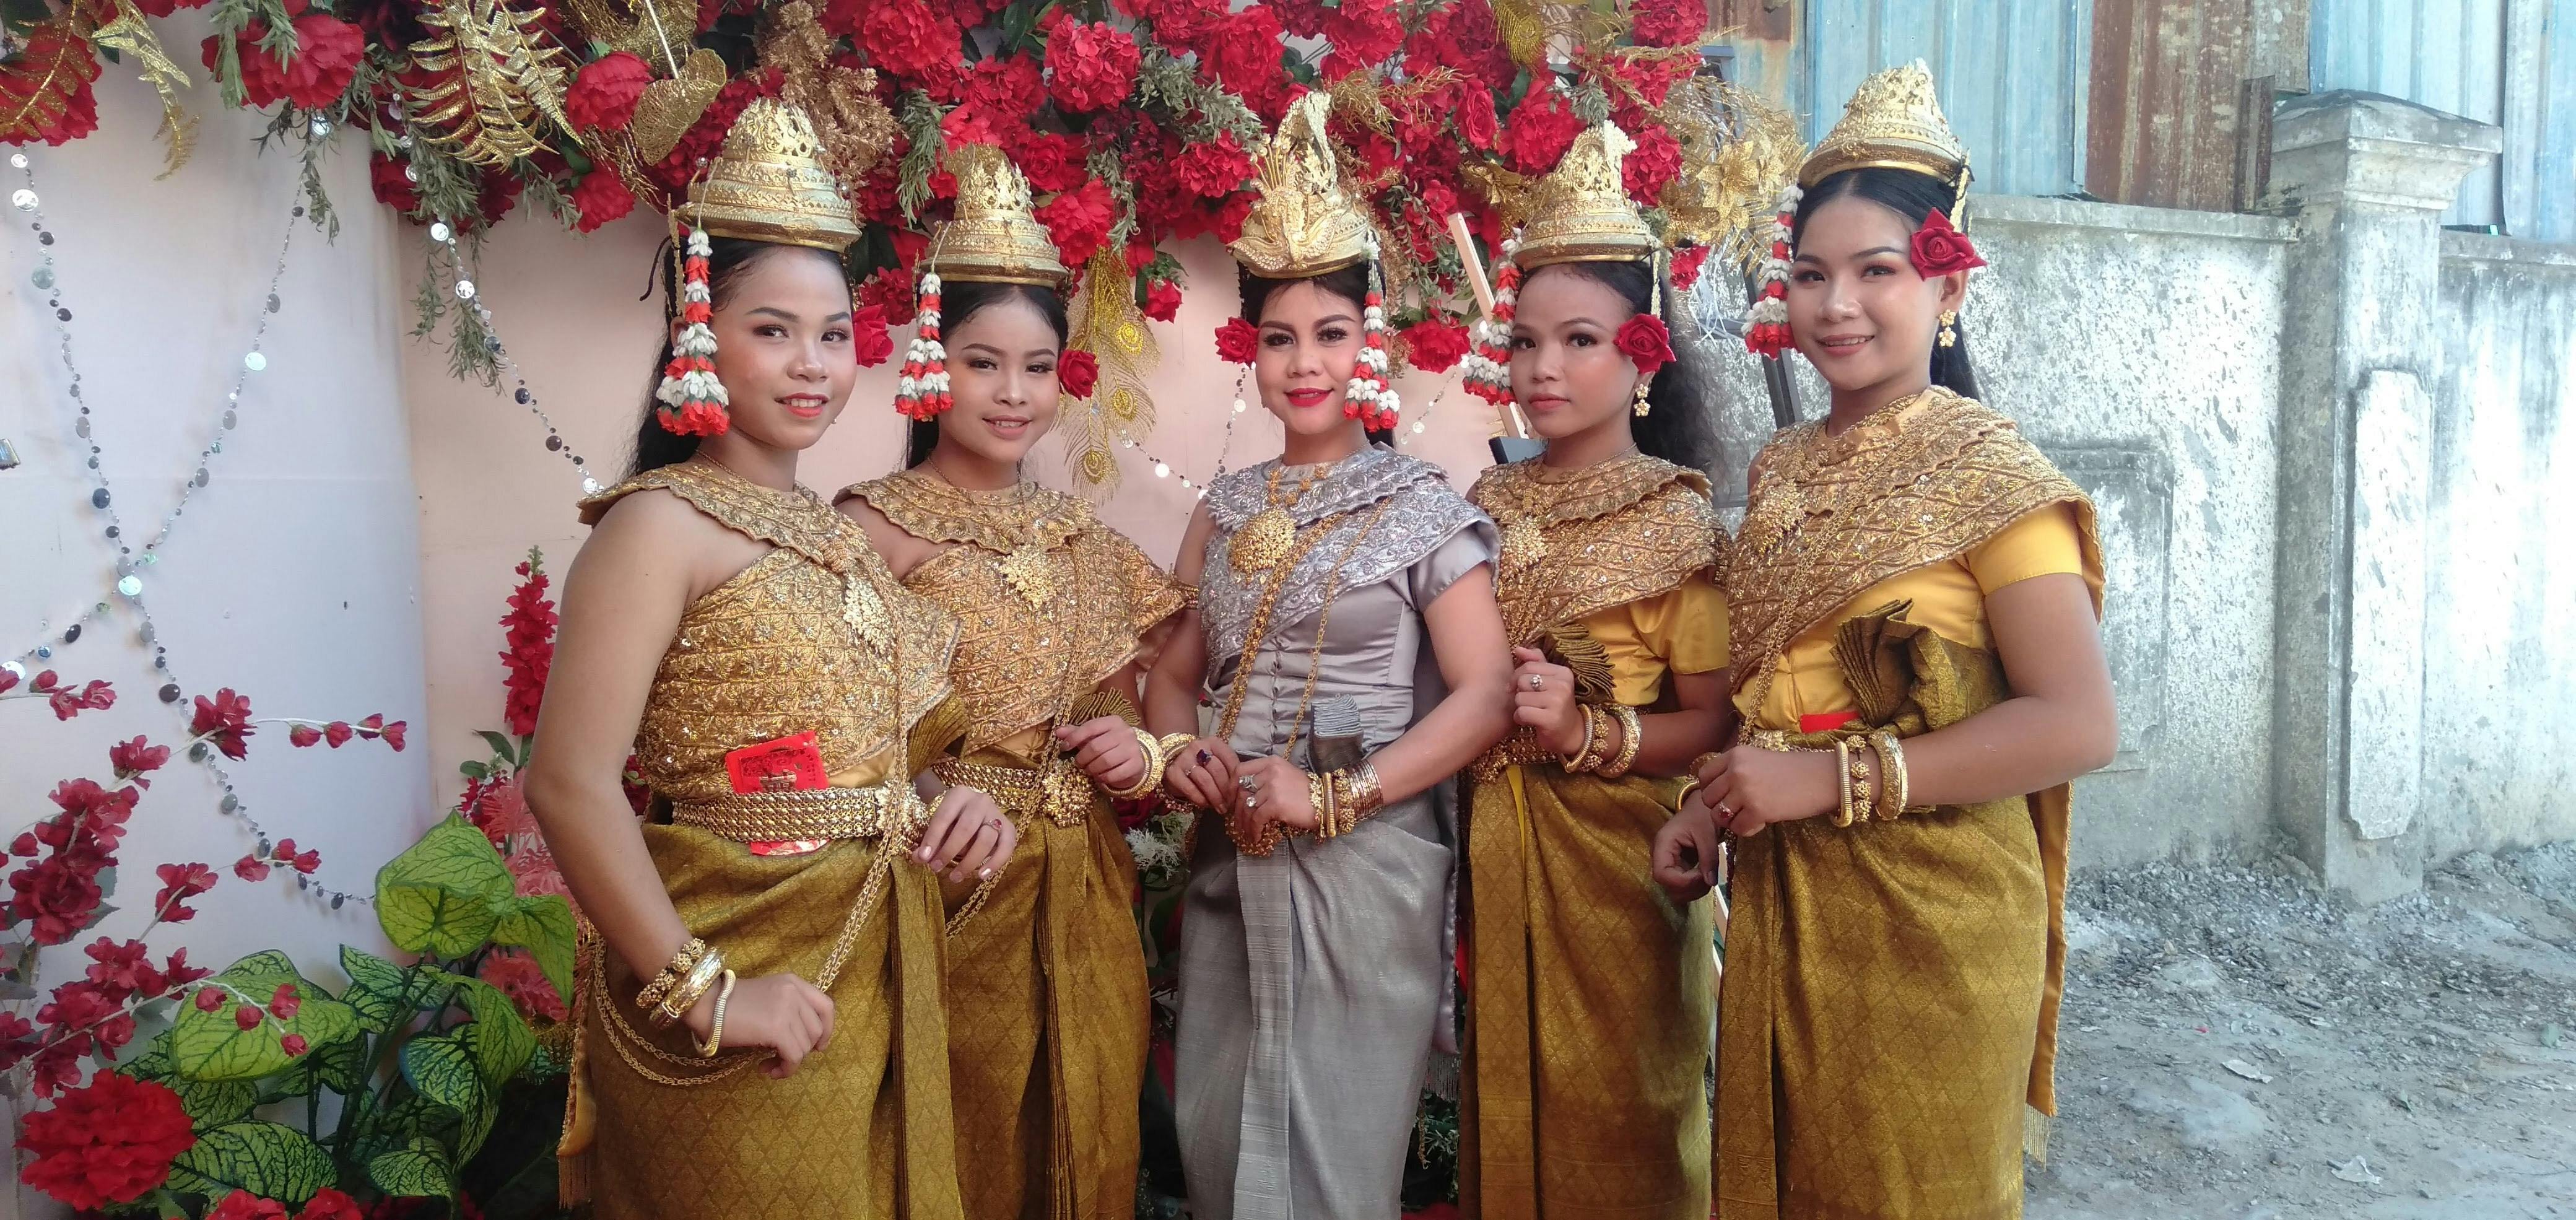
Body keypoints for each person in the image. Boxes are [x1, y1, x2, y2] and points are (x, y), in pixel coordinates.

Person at [525, 99, 1014, 1218]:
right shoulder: (657, 526)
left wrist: (950, 806)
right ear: (700, 334)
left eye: (834, 335)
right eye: (774, 330)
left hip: (870, 968)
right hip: (734, 968)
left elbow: (869, 758)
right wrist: (704, 992)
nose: (812, 365)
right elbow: (568, 780)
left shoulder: (837, 535)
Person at [1651, 62, 2116, 1219]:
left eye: (1877, 271)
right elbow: (1775, 680)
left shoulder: (1994, 477)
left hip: (1935, 913)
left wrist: (1826, 780)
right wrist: (1711, 801)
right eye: (1812, 274)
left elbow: (2077, 722)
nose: (1837, 304)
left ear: (1947, 287)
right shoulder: (1783, 468)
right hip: (1788, 891)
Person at [1144, 91, 1514, 1220]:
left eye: (1332, 334)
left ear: (1370, 341)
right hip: (1234, 846)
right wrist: (1180, 754)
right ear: (1250, 350)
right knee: (1221, 1150)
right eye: (1279, 338)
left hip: (1366, 861)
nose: (1305, 363)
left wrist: (1338, 795)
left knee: (1335, 1172)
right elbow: (1173, 673)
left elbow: (1487, 691)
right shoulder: (1225, 505)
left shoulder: (1421, 507)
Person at [837, 143, 1186, 1220]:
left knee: (1092, 1134)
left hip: (1086, 887)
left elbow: (1135, 703)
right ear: (933, 361)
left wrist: (1144, 751)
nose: (1013, 393)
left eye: (1037, 367)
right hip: (950, 876)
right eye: (984, 363)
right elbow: (842, 727)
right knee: (964, 1139)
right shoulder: (871, 529)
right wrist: (930, 795)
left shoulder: (1081, 536)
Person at [1456, 121, 1731, 1220]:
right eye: (1526, 341)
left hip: (1622, 864)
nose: (1543, 368)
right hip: (1491, 845)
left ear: (1644, 354)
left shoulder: (1676, 520)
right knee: (1504, 1099)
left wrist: (1588, 734)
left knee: (1626, 1118)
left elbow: (1716, 724)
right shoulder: (1485, 502)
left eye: (1579, 340)